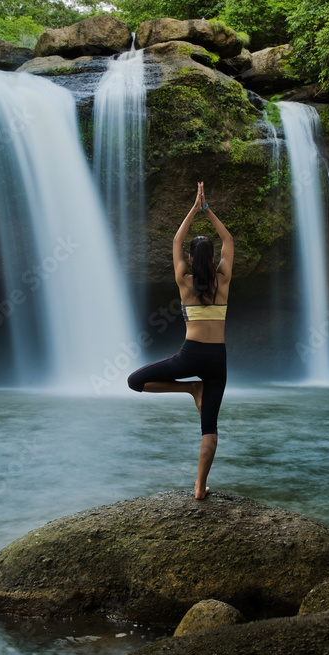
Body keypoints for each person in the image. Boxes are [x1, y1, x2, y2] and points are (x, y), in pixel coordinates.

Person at [128, 182, 233, 500]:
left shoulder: (183, 281)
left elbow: (175, 239)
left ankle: (189, 387)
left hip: (189, 356)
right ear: (213, 257)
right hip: (217, 359)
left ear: (190, 257)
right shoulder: (224, 279)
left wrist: (193, 207)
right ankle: (200, 487)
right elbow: (228, 238)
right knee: (209, 428)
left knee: (135, 381)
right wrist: (207, 209)